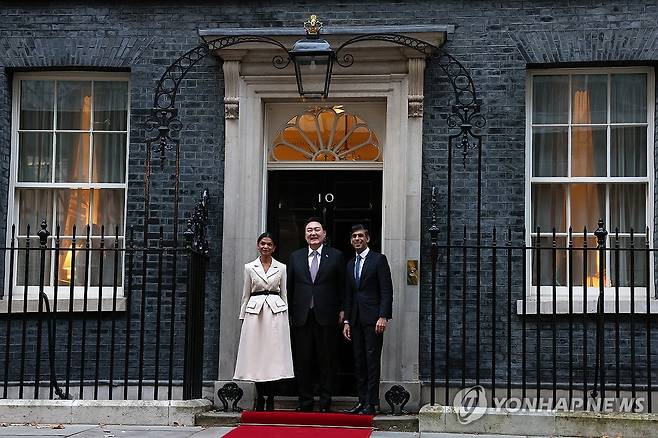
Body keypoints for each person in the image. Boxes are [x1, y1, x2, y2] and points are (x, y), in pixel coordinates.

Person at [287, 217, 345, 412]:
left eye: (317, 230)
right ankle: (305, 401)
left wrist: (343, 310)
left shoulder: (336, 256)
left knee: (326, 360)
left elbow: (343, 286)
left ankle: (325, 402)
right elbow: (289, 287)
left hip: (327, 316)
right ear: (305, 236)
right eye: (309, 230)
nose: (313, 233)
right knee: (303, 361)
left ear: (324, 234)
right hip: (301, 317)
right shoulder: (295, 257)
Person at [234, 232, 294, 411]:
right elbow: (246, 294)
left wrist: (286, 318)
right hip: (255, 314)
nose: (265, 247)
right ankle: (260, 397)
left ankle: (271, 398)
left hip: (276, 313)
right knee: (257, 356)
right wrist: (243, 317)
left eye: (269, 244)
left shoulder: (281, 267)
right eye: (262, 243)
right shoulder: (249, 267)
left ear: (274, 247)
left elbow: (284, 294)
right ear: (257, 245)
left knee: (273, 356)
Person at [342, 224, 393, 415]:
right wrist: (347, 320)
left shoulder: (378, 260)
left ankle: (372, 403)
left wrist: (383, 316)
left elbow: (386, 290)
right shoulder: (349, 264)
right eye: (354, 236)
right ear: (351, 240)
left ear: (368, 238)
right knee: (359, 361)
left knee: (372, 361)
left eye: (360, 236)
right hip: (355, 319)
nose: (357, 239)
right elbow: (348, 295)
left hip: (373, 319)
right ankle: (361, 401)